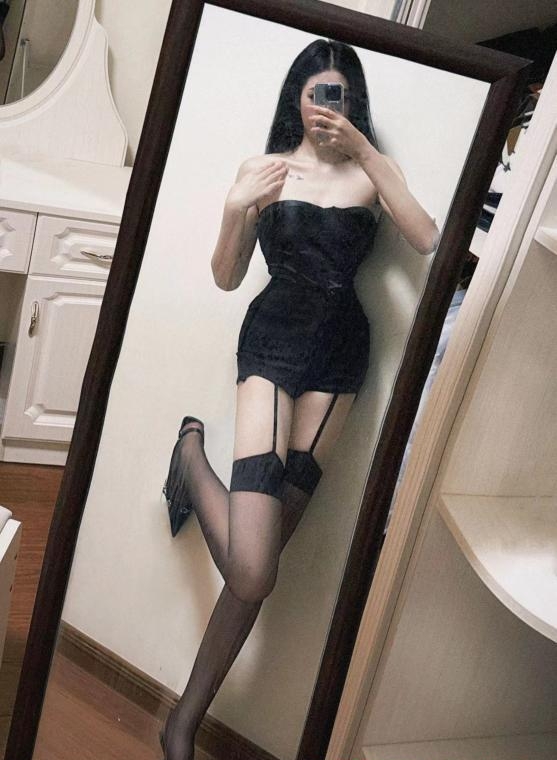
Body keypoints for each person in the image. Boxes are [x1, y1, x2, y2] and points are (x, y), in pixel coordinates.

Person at [159, 38, 439, 760]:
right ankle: (191, 456)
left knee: (256, 572)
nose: (324, 108)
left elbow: (426, 237)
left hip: (340, 357)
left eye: (338, 96)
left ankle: (181, 724)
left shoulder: (371, 171)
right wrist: (234, 208)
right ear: (296, 97)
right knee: (254, 568)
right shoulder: (264, 170)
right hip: (272, 344)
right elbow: (227, 277)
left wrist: (365, 151)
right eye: (315, 94)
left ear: (353, 103)